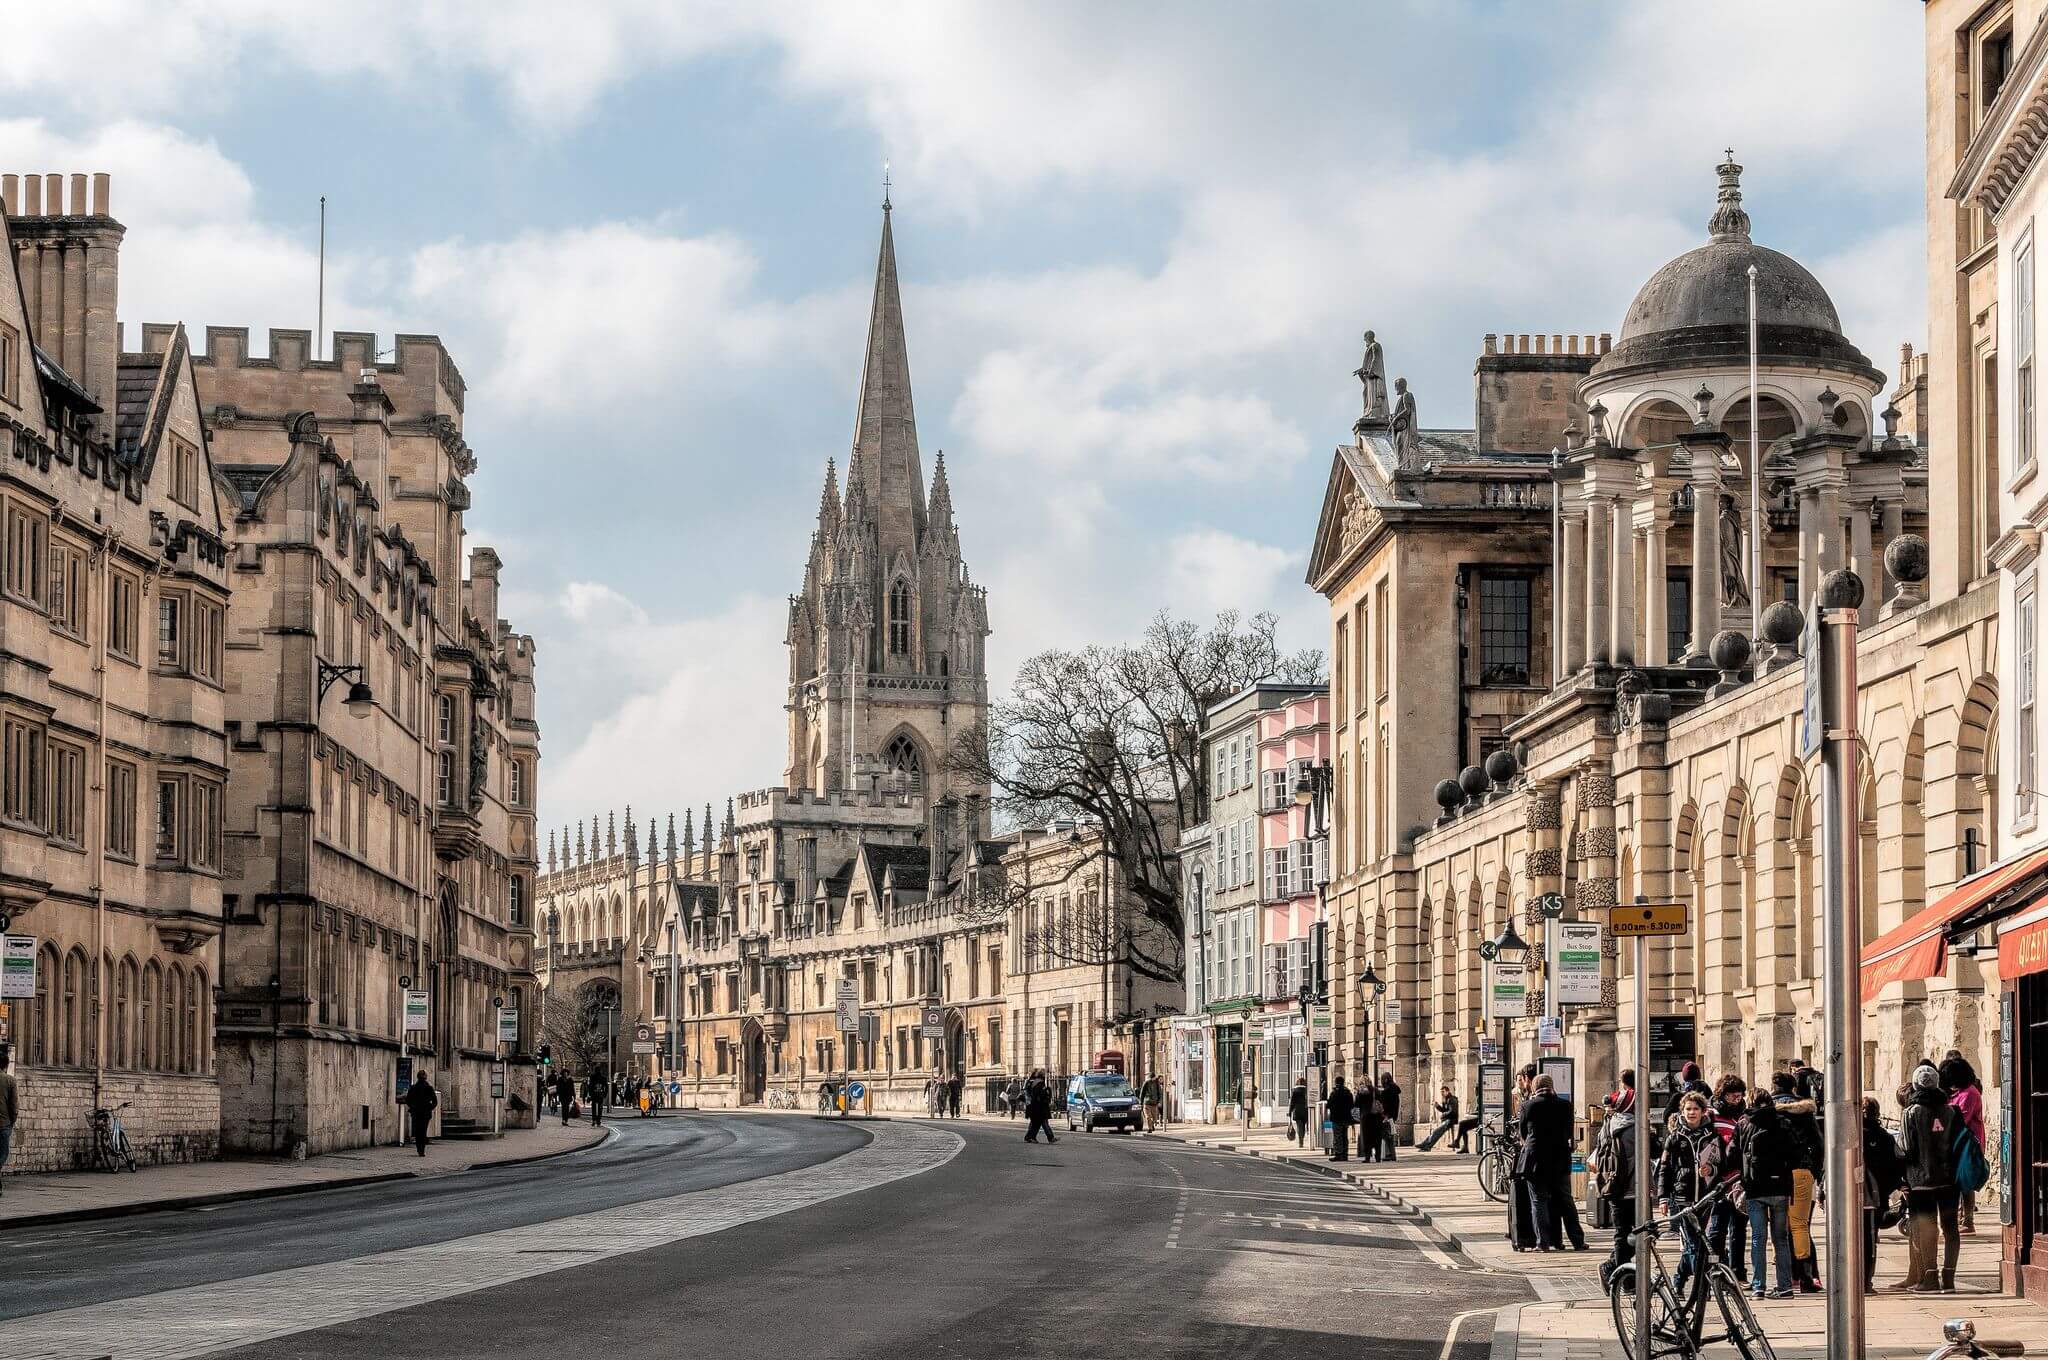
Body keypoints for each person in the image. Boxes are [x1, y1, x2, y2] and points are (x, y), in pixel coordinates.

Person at [1899, 1062, 1960, 1293]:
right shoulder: (1951, 1111)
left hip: (1920, 1180)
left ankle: (1930, 1278)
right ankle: (1950, 1278)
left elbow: (1905, 1148)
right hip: (1949, 1179)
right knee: (1950, 1227)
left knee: (1926, 1228)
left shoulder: (1911, 1113)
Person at [1734, 1091, 1797, 1299]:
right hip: (1780, 1188)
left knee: (1758, 1239)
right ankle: (1785, 1285)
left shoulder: (1744, 1124)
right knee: (1781, 1239)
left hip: (1755, 1189)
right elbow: (1796, 1153)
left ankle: (1759, 1285)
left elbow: (1733, 1155)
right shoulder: (1784, 1123)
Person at [1659, 1091, 1720, 1292]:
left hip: (1705, 1196)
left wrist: (1711, 1169)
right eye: (1688, 1109)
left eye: (1695, 1109)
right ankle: (1702, 1286)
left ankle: (1679, 1278)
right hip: (1683, 1197)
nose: (1691, 1113)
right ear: (1682, 1111)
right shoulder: (1675, 1137)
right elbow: (1665, 1169)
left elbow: (1722, 1163)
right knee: (1694, 1244)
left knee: (1700, 1243)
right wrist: (1663, 1197)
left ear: (1703, 1111)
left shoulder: (1711, 1135)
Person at [1519, 1073, 1586, 1251]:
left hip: (1536, 1160)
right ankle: (1578, 1241)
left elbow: (1523, 1132)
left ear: (1534, 1087)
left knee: (1538, 1201)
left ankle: (1543, 1243)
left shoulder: (1528, 1105)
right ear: (1552, 1085)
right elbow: (1570, 1133)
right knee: (1566, 1200)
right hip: (1560, 1158)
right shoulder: (1565, 1105)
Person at [1772, 1071, 1823, 1293]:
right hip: (1802, 1171)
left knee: (1778, 1228)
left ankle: (1786, 1277)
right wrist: (1816, 1170)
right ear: (1793, 1089)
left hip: (1775, 1173)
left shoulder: (1768, 1112)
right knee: (1801, 1225)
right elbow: (1818, 1143)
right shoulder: (1804, 1111)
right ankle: (1806, 1275)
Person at [1596, 1076, 1638, 1288]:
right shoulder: (1634, 1130)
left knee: (1624, 1234)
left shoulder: (1609, 1123)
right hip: (1631, 1188)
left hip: (1614, 1187)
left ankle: (1617, 1270)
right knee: (1634, 1235)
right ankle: (1623, 1277)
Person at [1706, 1075, 1748, 1278]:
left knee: (1739, 1229)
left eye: (1740, 1096)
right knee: (1717, 1228)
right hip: (1718, 1181)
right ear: (1722, 1095)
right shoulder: (1711, 1116)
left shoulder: (1742, 1116)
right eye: (1733, 1096)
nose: (1737, 1099)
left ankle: (1738, 1271)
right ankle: (1718, 1268)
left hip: (1739, 1180)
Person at [1863, 1096, 1906, 1294]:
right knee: (1870, 1239)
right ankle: (1866, 1281)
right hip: (1876, 1196)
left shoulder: (1850, 1135)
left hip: (1851, 1198)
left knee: (1850, 1238)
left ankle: (1853, 1279)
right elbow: (1895, 1167)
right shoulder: (1885, 1137)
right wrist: (1888, 1190)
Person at [1941, 1051, 1985, 1235]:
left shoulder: (1969, 1093)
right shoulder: (1959, 1091)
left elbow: (1960, 1118)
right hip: (1957, 1142)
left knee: (1965, 1181)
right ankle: (1960, 1218)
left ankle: (1968, 1220)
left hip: (1968, 1143)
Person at [402, 1067, 438, 1156]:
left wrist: (413, 1107)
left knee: (418, 1131)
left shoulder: (413, 1087)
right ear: (425, 1077)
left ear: (418, 1077)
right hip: (425, 1112)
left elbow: (408, 1100)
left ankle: (419, 1148)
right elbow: (435, 1101)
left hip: (416, 1112)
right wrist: (429, 1107)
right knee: (423, 1131)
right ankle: (422, 1150)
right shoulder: (429, 1088)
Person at [1418, 1084, 1460, 1152]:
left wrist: (1443, 1114)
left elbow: (1452, 1112)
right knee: (1436, 1132)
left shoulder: (1452, 1099)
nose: (1442, 1093)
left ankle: (1426, 1145)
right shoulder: (1445, 1099)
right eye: (1441, 1092)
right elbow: (1444, 1110)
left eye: (1443, 1092)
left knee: (1437, 1131)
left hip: (1452, 1120)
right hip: (1447, 1120)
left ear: (1447, 1091)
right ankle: (1426, 1145)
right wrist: (1437, 1106)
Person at [1023, 1068, 1058, 1144]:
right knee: (1041, 1122)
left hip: (1034, 1106)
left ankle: (1029, 1137)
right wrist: (1047, 1095)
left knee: (1036, 1123)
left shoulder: (1033, 1082)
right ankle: (1049, 1137)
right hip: (1039, 1106)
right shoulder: (1039, 1083)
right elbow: (1040, 1094)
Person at [1355, 1073, 1384, 1162]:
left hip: (1366, 1117)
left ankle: (1367, 1157)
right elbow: (1381, 1101)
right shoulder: (1376, 1090)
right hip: (1376, 1116)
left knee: (1367, 1137)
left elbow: (1356, 1104)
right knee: (1377, 1137)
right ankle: (1378, 1157)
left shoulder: (1361, 1092)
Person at [0, 1044, 16, 1194]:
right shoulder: (10, 1081)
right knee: (2, 1153)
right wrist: (12, 1122)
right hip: (4, 1124)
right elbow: (14, 1106)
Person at [1327, 1076, 1354, 1161]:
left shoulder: (1334, 1093)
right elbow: (1352, 1105)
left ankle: (1338, 1154)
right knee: (1344, 1136)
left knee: (1337, 1136)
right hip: (1346, 1117)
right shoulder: (1348, 1092)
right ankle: (1345, 1154)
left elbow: (1329, 1105)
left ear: (1336, 1082)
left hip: (1336, 1117)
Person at [1378, 1072, 1403, 1161]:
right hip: (1393, 1115)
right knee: (1390, 1135)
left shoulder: (1386, 1091)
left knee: (1386, 1135)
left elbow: (1385, 1105)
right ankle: (1391, 1154)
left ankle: (1389, 1154)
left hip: (1387, 1115)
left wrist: (1385, 1115)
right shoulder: (1395, 1089)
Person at [1286, 1077, 1311, 1147]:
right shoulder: (1307, 1090)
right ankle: (1302, 1138)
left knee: (1299, 1126)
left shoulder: (1295, 1091)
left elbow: (1292, 1103)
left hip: (1297, 1111)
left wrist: (1290, 1112)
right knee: (1303, 1126)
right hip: (1305, 1110)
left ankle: (1301, 1141)